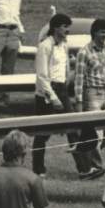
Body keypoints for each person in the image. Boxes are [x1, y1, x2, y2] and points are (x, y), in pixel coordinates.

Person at [32, 13, 85, 178]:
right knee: (43, 132)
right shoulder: (45, 46)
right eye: (64, 27)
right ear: (56, 28)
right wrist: (53, 97)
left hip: (61, 88)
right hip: (47, 92)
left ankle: (83, 168)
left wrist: (66, 89)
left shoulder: (64, 45)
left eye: (68, 27)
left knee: (73, 128)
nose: (67, 30)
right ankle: (38, 168)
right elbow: (41, 75)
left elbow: (66, 68)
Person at [73, 18, 105, 177]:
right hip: (91, 94)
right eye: (102, 32)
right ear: (94, 32)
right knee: (97, 136)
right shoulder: (84, 52)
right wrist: (79, 100)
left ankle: (83, 153)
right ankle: (96, 167)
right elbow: (79, 77)